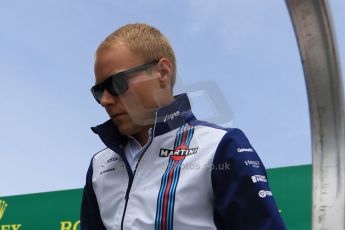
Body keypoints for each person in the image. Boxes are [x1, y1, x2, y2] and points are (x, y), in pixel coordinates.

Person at [80, 23, 286, 230]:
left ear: (162, 73)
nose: (105, 100)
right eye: (98, 92)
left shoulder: (219, 145)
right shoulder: (100, 164)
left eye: (116, 83)